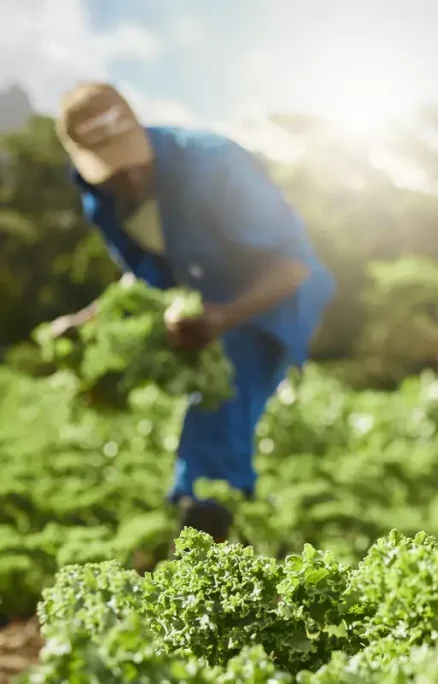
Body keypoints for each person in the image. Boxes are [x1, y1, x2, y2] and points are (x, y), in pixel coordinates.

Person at [51, 82, 336, 542]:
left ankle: (207, 559)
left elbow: (292, 263)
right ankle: (212, 544)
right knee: (209, 420)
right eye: (111, 171)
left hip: (270, 298)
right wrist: (85, 320)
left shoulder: (214, 163)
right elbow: (146, 276)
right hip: (202, 303)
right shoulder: (100, 198)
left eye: (134, 161)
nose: (129, 179)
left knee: (217, 414)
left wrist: (224, 317)